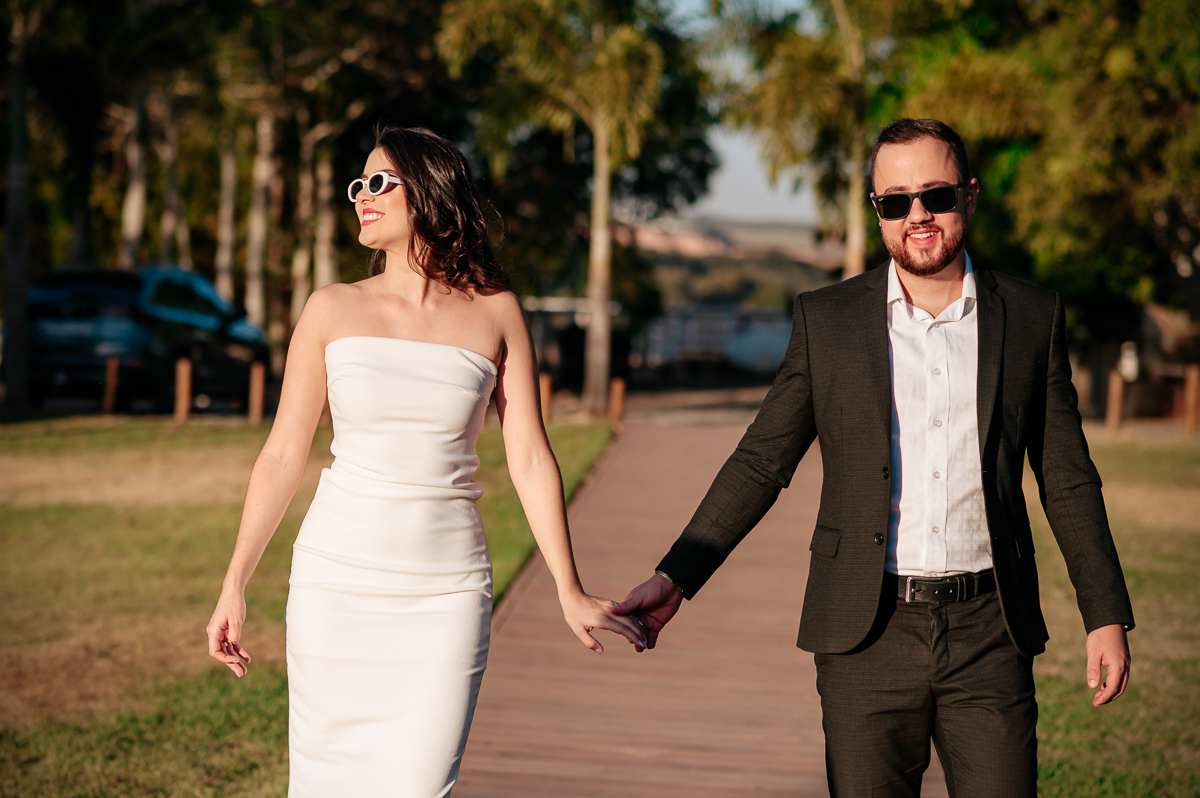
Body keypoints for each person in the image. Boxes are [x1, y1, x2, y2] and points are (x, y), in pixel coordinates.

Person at [614, 118, 1135, 796]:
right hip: (865, 633)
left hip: (990, 630)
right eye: (895, 202)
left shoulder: (1031, 317)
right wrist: (676, 575)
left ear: (969, 196)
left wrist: (1105, 612)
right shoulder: (827, 321)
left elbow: (1066, 476)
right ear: (877, 212)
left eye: (936, 196)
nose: (917, 216)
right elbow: (761, 462)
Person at [205, 126, 644, 796]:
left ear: (430, 193)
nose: (362, 197)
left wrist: (567, 587)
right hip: (335, 587)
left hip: (446, 595)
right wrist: (235, 582)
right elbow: (283, 454)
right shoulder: (330, 309)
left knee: (420, 786)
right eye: (358, 185)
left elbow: (528, 454)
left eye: (380, 181)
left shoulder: (496, 312)